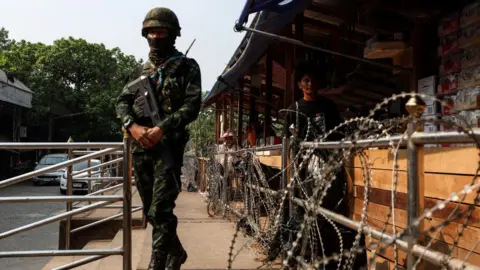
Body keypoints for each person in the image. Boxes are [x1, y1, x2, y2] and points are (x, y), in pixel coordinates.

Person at [115, 7, 202, 270]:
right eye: (151, 31)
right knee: (150, 209)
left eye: (161, 31)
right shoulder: (138, 72)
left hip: (168, 147)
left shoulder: (187, 67)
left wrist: (162, 128)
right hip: (141, 147)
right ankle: (175, 252)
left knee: (160, 209)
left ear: (172, 34)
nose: (156, 35)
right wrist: (132, 127)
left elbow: (192, 105)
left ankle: (158, 262)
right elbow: (121, 102)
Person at [267, 62, 366, 269]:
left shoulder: (328, 106)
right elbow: (287, 142)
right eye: (306, 80)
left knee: (327, 209)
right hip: (303, 168)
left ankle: (325, 255)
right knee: (306, 211)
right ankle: (310, 253)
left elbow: (337, 133)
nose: (310, 84)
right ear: (299, 85)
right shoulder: (294, 109)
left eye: (313, 80)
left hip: (327, 164)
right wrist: (292, 171)